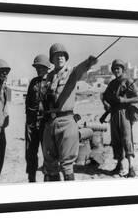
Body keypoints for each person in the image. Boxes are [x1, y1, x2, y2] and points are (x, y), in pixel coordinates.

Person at [42, 43, 98, 181]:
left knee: (67, 165)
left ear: (66, 58)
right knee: (50, 164)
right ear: (52, 59)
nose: (59, 58)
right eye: (56, 55)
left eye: (62, 55)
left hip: (66, 122)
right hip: (50, 123)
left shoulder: (71, 73)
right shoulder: (48, 77)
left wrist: (88, 62)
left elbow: (81, 69)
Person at [101, 59, 138, 178]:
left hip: (124, 114)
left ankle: (131, 168)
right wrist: (105, 104)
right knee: (116, 140)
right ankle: (119, 166)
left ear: (123, 69)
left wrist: (124, 100)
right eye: (114, 69)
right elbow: (104, 95)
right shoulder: (112, 83)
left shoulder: (128, 81)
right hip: (114, 114)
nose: (116, 71)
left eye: (118, 68)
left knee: (127, 139)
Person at [25, 54, 50, 182]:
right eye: (36, 67)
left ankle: (48, 177)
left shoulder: (52, 81)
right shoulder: (33, 82)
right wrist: (29, 120)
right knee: (30, 151)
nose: (38, 70)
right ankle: (31, 178)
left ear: (47, 67)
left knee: (48, 151)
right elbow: (28, 100)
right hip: (32, 122)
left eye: (40, 67)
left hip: (46, 122)